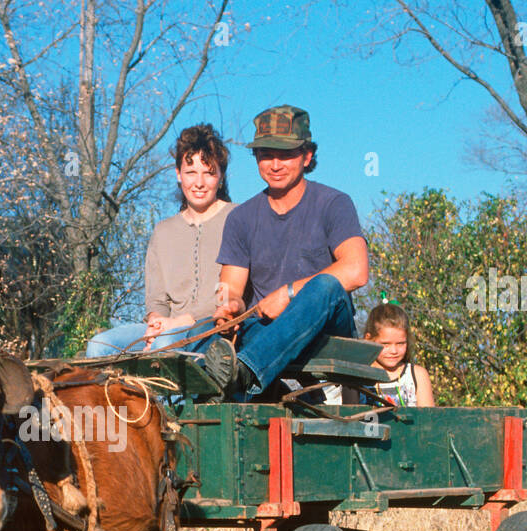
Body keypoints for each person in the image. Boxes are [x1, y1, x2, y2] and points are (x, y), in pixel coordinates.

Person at [197, 105, 370, 397]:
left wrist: (288, 293)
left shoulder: (334, 203)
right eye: (266, 154)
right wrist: (229, 310)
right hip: (267, 331)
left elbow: (356, 270)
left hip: (327, 331)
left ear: (307, 156)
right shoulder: (241, 218)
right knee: (197, 333)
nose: (275, 164)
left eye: (286, 154)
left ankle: (245, 374)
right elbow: (230, 289)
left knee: (326, 284)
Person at [84, 124, 234, 357]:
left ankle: (163, 393)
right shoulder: (163, 231)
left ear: (221, 177)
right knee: (100, 345)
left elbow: (233, 294)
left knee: (164, 344)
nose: (199, 183)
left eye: (208, 172)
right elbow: (157, 298)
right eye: (191, 172)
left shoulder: (237, 219)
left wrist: (183, 321)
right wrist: (155, 324)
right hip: (167, 328)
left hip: (212, 328)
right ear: (178, 174)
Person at [364, 303, 435, 407]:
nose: (394, 351)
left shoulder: (417, 375)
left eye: (400, 343)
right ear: (369, 339)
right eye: (385, 344)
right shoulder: (358, 375)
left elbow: (429, 419)